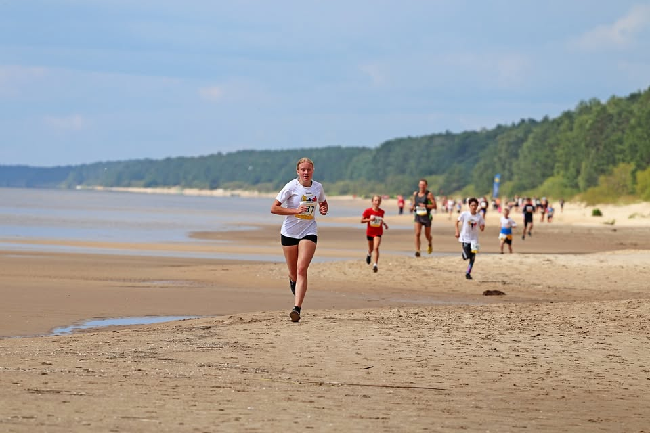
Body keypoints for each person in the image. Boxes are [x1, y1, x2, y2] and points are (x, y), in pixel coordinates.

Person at [271, 157, 328, 323]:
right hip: (289, 233)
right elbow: (274, 208)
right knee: (294, 273)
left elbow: (323, 202)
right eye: (303, 169)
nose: (306, 172)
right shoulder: (291, 186)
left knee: (302, 268)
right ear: (298, 171)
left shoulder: (318, 187)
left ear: (313, 171)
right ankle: (293, 281)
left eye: (308, 169)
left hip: (308, 230)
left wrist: (324, 208)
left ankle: (297, 309)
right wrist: (295, 211)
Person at [455, 197, 485, 279]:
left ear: (477, 206)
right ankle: (463, 253)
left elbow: (482, 227)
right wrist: (457, 231)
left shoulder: (479, 216)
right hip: (465, 238)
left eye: (475, 205)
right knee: (466, 257)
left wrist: (482, 227)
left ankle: (468, 272)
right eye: (472, 205)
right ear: (469, 206)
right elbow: (456, 221)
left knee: (473, 257)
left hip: (475, 239)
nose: (474, 207)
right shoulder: (464, 214)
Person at [361, 195, 389, 273]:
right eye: (376, 200)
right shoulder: (368, 211)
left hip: (378, 232)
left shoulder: (382, 212)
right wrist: (370, 219)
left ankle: (375, 265)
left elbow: (380, 220)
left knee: (376, 248)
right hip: (370, 232)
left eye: (379, 201)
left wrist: (384, 224)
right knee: (371, 249)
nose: (377, 202)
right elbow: (362, 220)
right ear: (372, 201)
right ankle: (369, 254)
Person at [410, 179, 436, 257]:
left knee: (427, 235)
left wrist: (425, 205)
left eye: (423, 185)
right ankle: (417, 250)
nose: (422, 186)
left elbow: (434, 206)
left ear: (426, 186)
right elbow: (414, 203)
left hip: (426, 217)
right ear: (419, 185)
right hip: (418, 216)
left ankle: (430, 242)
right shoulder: (415, 194)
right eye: (421, 184)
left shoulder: (429, 194)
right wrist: (412, 207)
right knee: (417, 233)